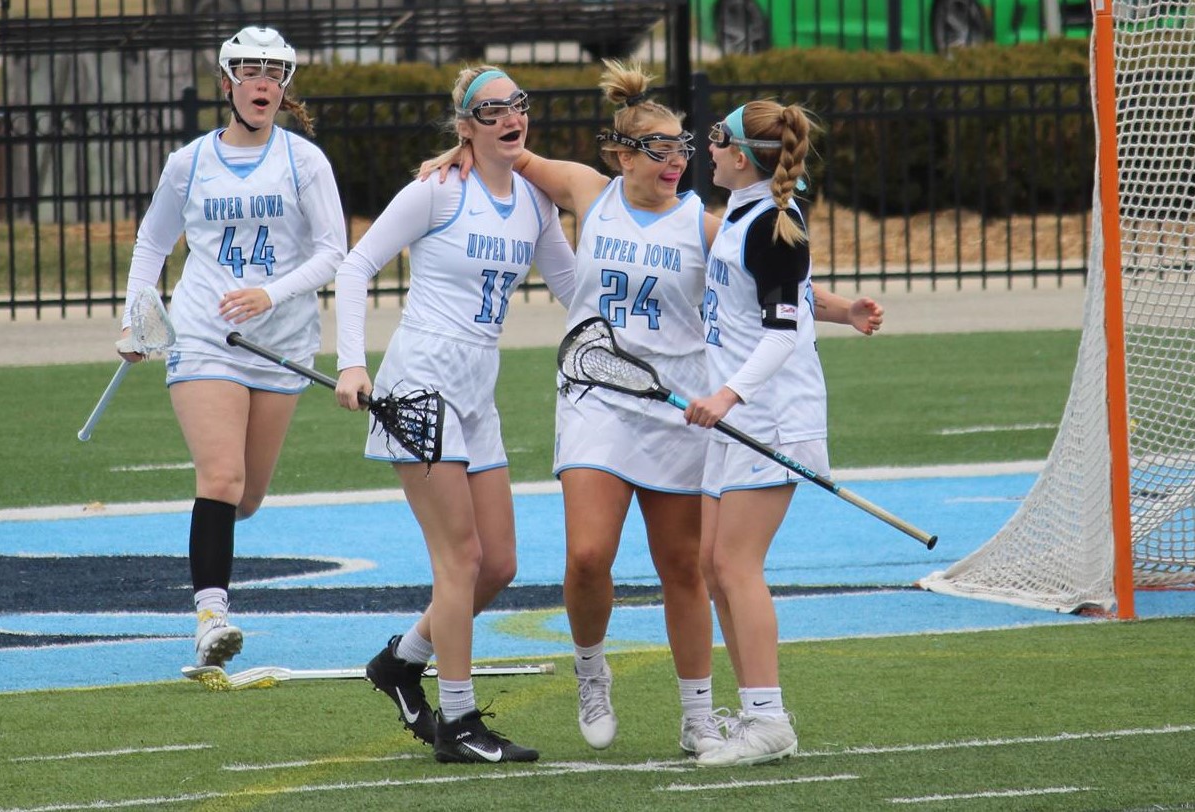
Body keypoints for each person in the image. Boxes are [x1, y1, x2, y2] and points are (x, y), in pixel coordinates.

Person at [423, 62, 882, 758]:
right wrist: (459, 147)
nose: (675, 161)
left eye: (683, 148)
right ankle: (590, 671)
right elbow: (506, 149)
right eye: (659, 147)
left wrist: (843, 309)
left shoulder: (706, 226)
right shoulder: (589, 192)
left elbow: (766, 286)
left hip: (680, 404)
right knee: (586, 556)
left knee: (686, 567)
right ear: (621, 153)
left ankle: (698, 713)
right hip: (596, 391)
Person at [332, 65, 577, 764]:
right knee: (461, 559)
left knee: (497, 562)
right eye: (491, 109)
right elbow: (355, 268)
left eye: (517, 106)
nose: (510, 118)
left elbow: (572, 288)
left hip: (476, 388)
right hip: (420, 384)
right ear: (466, 125)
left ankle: (401, 662)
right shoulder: (436, 191)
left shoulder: (532, 201)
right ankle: (460, 722)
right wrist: (353, 363)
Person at [118, 26, 348, 670]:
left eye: (274, 75)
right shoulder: (190, 162)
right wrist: (141, 315)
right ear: (228, 84)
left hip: (280, 341)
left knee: (245, 496)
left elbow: (333, 252)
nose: (262, 85)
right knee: (219, 478)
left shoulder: (304, 162)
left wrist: (269, 295)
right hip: (202, 335)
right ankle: (210, 619)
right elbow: (152, 245)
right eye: (250, 73)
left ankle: (215, 565)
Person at [683, 99, 827, 767]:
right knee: (714, 568)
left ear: (740, 155)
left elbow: (781, 333)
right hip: (735, 417)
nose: (705, 147)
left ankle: (769, 721)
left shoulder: (773, 223)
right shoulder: (742, 214)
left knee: (736, 567)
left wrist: (726, 394)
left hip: (769, 417)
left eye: (715, 137)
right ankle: (755, 714)